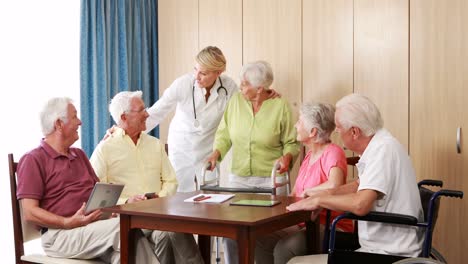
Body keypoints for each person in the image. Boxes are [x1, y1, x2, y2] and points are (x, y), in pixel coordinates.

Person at [16, 97, 159, 264]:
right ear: (59, 124)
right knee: (125, 229)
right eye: (75, 116)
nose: (80, 122)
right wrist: (67, 222)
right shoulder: (33, 159)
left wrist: (109, 210)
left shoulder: (79, 155)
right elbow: (29, 212)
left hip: (92, 228)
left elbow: (97, 194)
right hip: (60, 235)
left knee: (128, 250)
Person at [287, 94, 424, 263]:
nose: (336, 131)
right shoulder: (381, 145)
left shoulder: (383, 151)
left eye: (338, 127)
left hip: (389, 253)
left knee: (295, 262)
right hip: (379, 247)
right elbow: (360, 185)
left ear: (354, 132)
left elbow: (360, 205)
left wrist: (320, 200)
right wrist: (328, 193)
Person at [90, 91, 203, 264]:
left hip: (160, 214)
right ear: (124, 117)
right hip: (129, 221)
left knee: (170, 232)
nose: (147, 113)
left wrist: (158, 199)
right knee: (172, 230)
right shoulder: (104, 149)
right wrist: (127, 201)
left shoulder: (154, 144)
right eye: (141, 110)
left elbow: (171, 180)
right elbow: (98, 193)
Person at [206, 60, 300, 264]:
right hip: (239, 179)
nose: (240, 86)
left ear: (260, 88)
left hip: (270, 180)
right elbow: (224, 134)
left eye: (245, 83)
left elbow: (291, 142)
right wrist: (216, 153)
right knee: (232, 230)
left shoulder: (280, 106)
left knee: (267, 233)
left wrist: (288, 156)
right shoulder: (236, 102)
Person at [255, 102, 353, 264]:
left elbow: (334, 185)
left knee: (284, 248)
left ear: (313, 131)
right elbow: (294, 195)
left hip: (329, 226)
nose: (295, 125)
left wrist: (309, 192)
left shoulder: (333, 152)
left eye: (299, 121)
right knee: (262, 238)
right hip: (303, 222)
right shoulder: (308, 157)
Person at [145, 46, 239, 192]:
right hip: (182, 145)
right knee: (179, 192)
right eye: (195, 69)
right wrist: (125, 129)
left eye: (203, 73)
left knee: (211, 192)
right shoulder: (183, 84)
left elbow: (244, 106)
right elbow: (157, 111)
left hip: (208, 146)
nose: (196, 76)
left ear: (218, 73)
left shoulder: (229, 87)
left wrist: (268, 95)